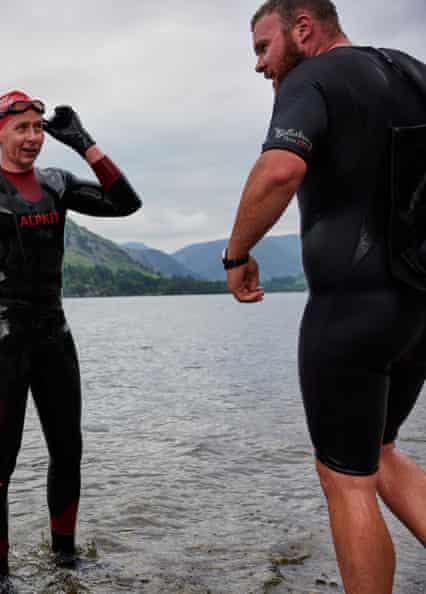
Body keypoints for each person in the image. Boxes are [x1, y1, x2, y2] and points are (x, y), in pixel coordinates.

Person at [225, 2, 426, 592]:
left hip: (351, 308)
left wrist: (237, 254)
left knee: (347, 478)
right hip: (417, 308)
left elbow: (280, 170)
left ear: (303, 29)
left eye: (264, 47)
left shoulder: (312, 77)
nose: (261, 65)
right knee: (382, 451)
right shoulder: (414, 70)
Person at [0, 90, 142, 587]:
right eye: (20, 128)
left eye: (37, 128)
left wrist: (84, 144)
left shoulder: (56, 183)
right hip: (1, 339)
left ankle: (66, 560)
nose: (30, 138)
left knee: (67, 450)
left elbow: (126, 203)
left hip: (54, 333)